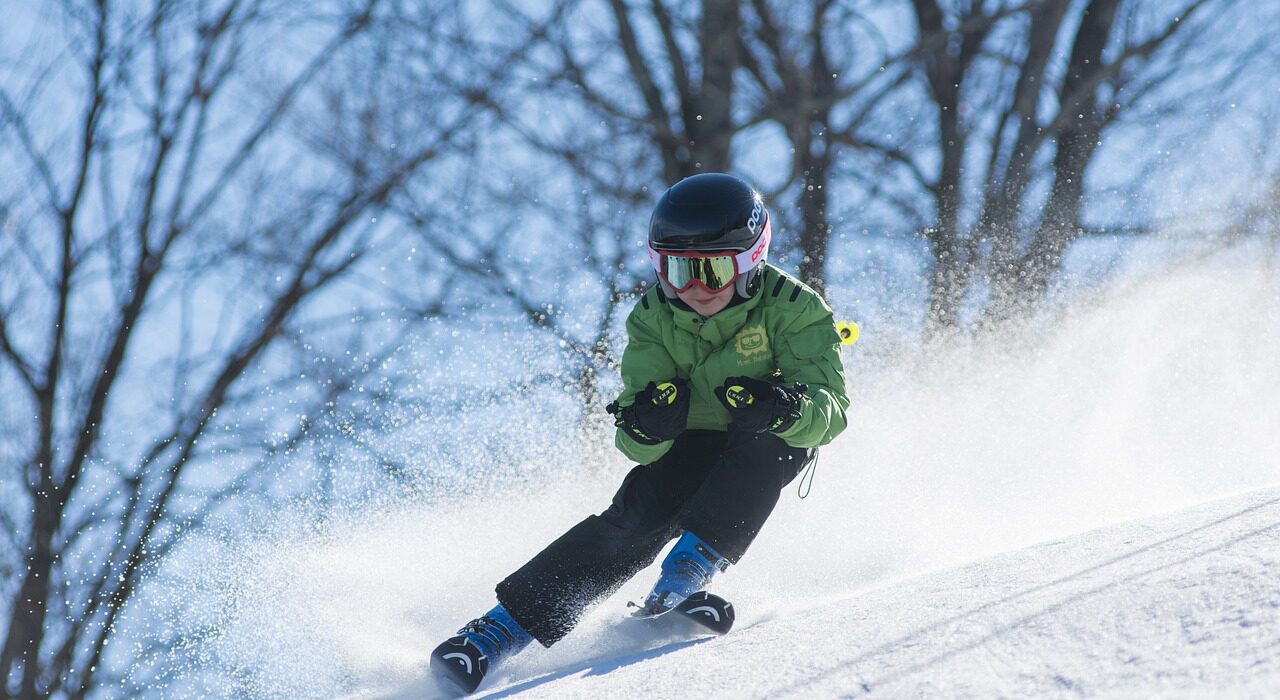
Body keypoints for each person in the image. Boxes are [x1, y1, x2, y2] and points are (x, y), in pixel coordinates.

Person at [429, 172, 850, 693]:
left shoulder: (795, 307)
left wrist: (783, 407)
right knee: (636, 518)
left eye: (713, 271)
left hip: (761, 435)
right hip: (690, 441)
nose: (693, 288)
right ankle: (496, 632)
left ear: (749, 262)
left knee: (773, 446)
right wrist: (648, 424)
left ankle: (682, 580)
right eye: (676, 270)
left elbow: (831, 412)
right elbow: (632, 440)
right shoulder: (653, 316)